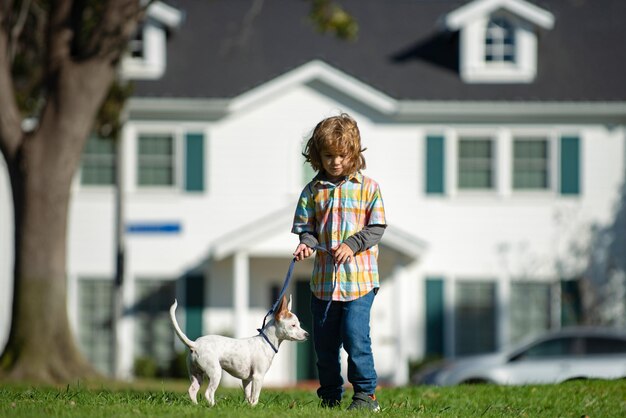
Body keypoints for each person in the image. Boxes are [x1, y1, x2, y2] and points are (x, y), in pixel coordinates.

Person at [291, 113, 386, 411]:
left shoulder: (368, 187)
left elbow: (377, 227)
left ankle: (365, 397)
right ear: (318, 156)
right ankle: (330, 396)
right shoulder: (312, 192)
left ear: (353, 153)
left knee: (356, 338)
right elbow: (306, 230)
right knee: (325, 346)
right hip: (323, 285)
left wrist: (352, 243)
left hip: (360, 283)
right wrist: (306, 245)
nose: (335, 162)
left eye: (341, 155)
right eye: (328, 155)